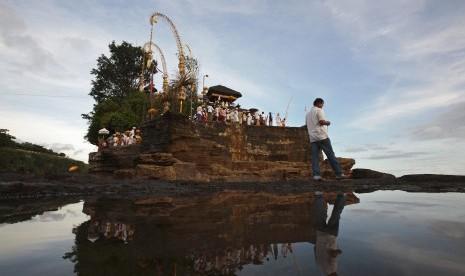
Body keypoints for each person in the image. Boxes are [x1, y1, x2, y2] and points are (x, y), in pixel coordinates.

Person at [305, 98, 345, 181]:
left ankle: (316, 176)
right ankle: (339, 174)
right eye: (322, 104)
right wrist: (328, 122)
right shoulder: (319, 110)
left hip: (313, 138)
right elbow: (321, 122)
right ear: (320, 103)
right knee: (330, 155)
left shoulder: (307, 114)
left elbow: (307, 126)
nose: (323, 106)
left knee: (315, 158)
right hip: (322, 136)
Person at [313, 192, 345, 276]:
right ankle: (318, 195)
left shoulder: (332, 269)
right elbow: (314, 248)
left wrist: (338, 252)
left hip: (331, 236)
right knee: (320, 215)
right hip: (320, 235)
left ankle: (342, 195)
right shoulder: (319, 265)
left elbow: (332, 254)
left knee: (336, 214)